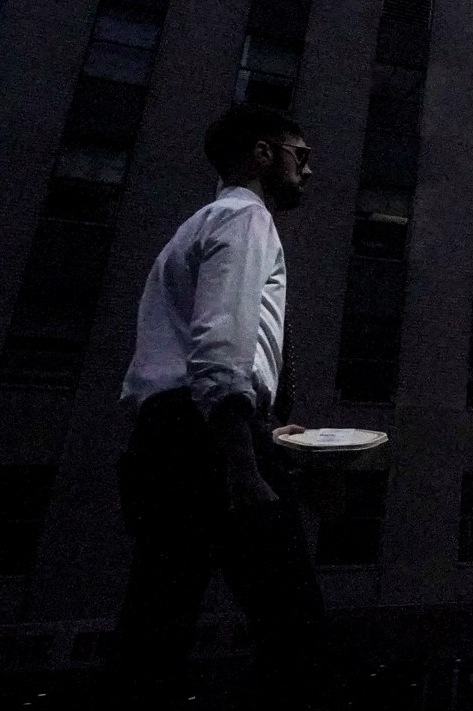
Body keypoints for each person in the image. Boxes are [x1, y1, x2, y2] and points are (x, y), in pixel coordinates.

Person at [106, 104, 325, 706]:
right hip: (208, 437)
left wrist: (271, 427)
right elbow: (223, 345)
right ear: (262, 153)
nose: (307, 170)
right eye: (299, 155)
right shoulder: (244, 220)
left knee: (156, 623)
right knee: (296, 628)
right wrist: (244, 463)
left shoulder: (192, 228)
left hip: (166, 437)